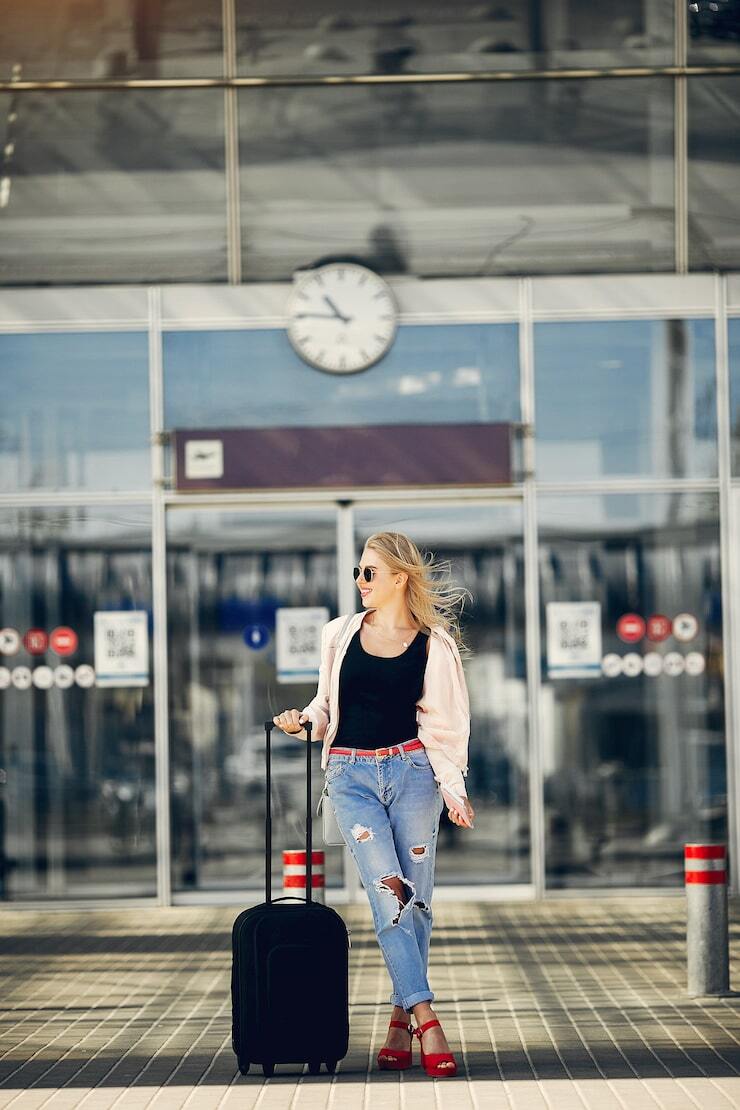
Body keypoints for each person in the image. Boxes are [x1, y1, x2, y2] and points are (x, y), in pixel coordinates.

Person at [272, 531, 475, 1078]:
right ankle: (427, 1018)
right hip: (351, 776)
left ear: (398, 579)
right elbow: (326, 706)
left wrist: (453, 789)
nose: (359, 581)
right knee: (391, 896)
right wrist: (303, 720)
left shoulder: (433, 643)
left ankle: (396, 1022)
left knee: (418, 903)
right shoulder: (338, 635)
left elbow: (448, 723)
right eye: (358, 572)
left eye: (368, 572)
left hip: (412, 775)